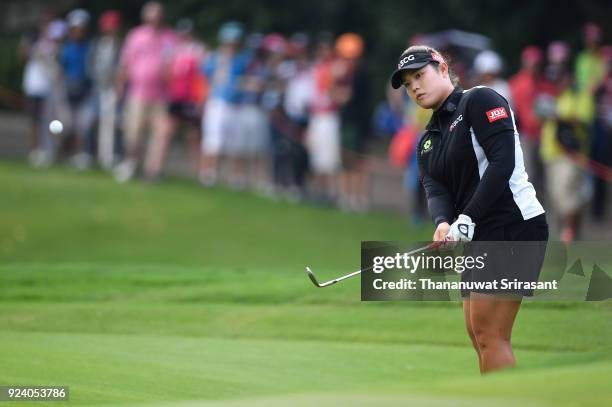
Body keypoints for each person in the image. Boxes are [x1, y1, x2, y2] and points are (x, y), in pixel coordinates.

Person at [390, 45, 547, 373]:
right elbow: (436, 189)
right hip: (480, 231)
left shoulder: (480, 100)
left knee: (491, 333)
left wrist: (467, 218)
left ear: (443, 69)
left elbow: (502, 162)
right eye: (408, 83)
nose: (415, 86)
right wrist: (443, 222)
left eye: (420, 75)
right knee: (478, 332)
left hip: (513, 223)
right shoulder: (428, 140)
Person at [114, 1, 177, 182]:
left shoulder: (170, 38)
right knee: (133, 134)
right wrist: (120, 86)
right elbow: (125, 63)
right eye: (151, 16)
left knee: (162, 134)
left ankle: (153, 171)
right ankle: (132, 164)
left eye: (157, 16)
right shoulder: (136, 36)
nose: (155, 20)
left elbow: (173, 64)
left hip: (162, 95)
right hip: (138, 93)